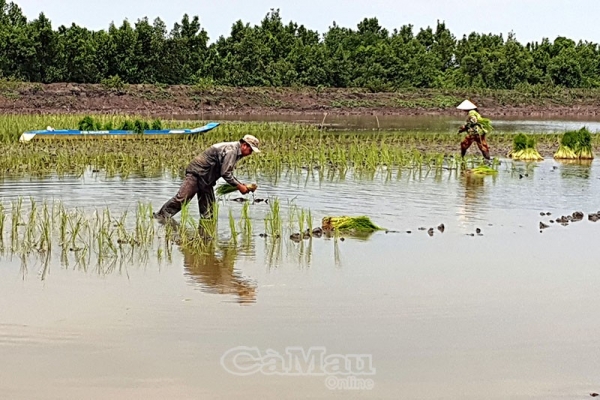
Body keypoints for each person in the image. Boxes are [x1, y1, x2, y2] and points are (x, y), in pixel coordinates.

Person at [154, 134, 260, 220]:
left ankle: (206, 233)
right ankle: (160, 217)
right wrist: (239, 186)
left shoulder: (237, 152)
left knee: (208, 211)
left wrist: (241, 185)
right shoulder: (232, 150)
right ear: (245, 145)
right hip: (197, 173)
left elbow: (225, 170)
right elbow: (225, 173)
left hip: (207, 178)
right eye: (251, 150)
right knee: (182, 198)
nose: (250, 153)